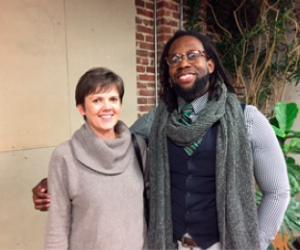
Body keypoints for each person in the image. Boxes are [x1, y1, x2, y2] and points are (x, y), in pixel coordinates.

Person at [33, 30, 290, 250]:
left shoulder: (247, 120)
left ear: (210, 64)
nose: (183, 63)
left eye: (192, 55)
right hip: (169, 243)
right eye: (174, 59)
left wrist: (253, 244)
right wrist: (61, 178)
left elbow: (277, 192)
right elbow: (114, 147)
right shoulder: (158, 121)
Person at [43, 67, 147, 250]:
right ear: (82, 108)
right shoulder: (65, 156)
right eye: (97, 100)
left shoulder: (138, 147)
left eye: (113, 99)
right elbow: (57, 228)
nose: (107, 107)